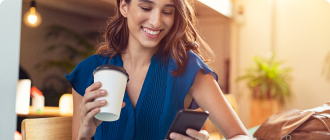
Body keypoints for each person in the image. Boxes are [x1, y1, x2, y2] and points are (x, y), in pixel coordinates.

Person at [66, 0, 253, 139]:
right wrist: (83, 135)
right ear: (124, 6)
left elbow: (240, 136)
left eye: (167, 11)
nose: (156, 22)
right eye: (146, 8)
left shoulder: (186, 67)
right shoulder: (88, 71)